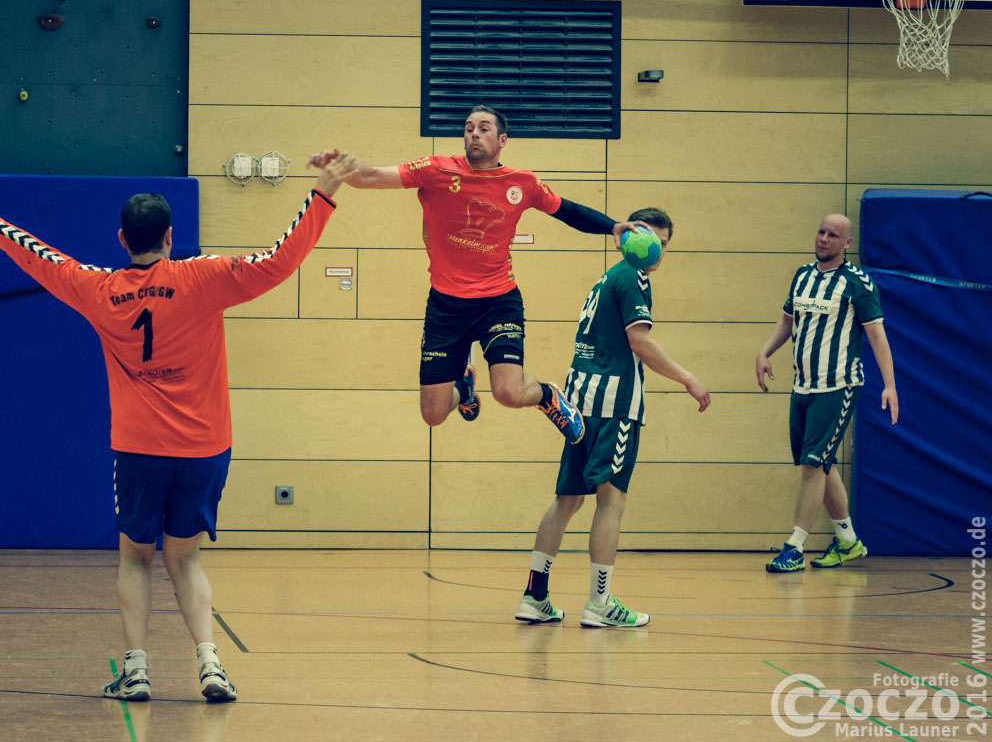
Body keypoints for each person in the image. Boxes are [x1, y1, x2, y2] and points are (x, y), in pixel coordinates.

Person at [0, 155, 358, 702]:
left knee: (135, 557)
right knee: (186, 557)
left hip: (139, 449)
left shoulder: (97, 289)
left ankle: (136, 671)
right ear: (170, 237)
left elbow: (36, 254)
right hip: (204, 449)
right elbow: (279, 259)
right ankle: (211, 666)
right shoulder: (203, 276)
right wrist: (322, 192)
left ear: (121, 239)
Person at [306, 105, 639, 444]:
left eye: (483, 128)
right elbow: (372, 176)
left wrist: (612, 226)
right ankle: (464, 389)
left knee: (509, 393)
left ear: (502, 139)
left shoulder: (522, 183)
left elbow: (567, 210)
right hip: (446, 306)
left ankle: (548, 395)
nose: (474, 133)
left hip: (498, 301)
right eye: (468, 128)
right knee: (433, 414)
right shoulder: (436, 170)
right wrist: (341, 166)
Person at [515, 208, 710, 627]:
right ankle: (600, 603)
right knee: (611, 500)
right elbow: (640, 342)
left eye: (663, 244)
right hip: (614, 404)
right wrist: (688, 378)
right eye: (650, 239)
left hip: (579, 403)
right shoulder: (632, 278)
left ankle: (535, 596)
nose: (657, 251)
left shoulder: (607, 278)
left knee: (568, 499)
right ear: (629, 238)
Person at [756, 213, 898, 573]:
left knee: (812, 465)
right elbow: (787, 320)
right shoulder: (802, 276)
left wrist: (890, 385)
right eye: (821, 231)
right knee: (821, 463)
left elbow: (877, 334)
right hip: (802, 385)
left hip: (837, 386)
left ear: (847, 243)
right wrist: (765, 352)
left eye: (833, 235)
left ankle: (794, 548)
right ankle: (848, 541)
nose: (823, 238)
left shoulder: (857, 283)